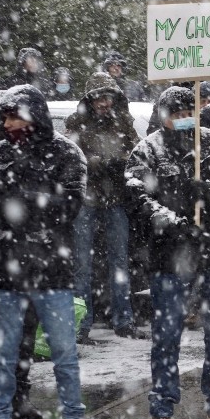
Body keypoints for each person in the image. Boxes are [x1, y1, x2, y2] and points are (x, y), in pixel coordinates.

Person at [125, 87, 210, 419]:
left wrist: (209, 189)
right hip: (169, 258)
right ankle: (161, 410)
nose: (182, 117)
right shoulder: (147, 149)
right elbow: (136, 196)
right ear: (163, 114)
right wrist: (173, 221)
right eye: (175, 111)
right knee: (166, 337)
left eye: (188, 110)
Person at [0, 85, 87, 419]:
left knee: (64, 354)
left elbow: (68, 206)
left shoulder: (66, 152)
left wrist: (19, 201)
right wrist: (26, 203)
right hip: (6, 269)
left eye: (14, 115)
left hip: (52, 270)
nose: (8, 124)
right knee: (3, 355)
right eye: (4, 117)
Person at [66, 73, 144, 343]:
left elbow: (136, 152)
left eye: (108, 96)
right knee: (82, 265)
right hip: (87, 199)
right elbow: (72, 157)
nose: (103, 101)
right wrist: (97, 162)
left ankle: (124, 321)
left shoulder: (124, 120)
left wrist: (119, 160)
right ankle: (80, 325)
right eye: (99, 96)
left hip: (115, 199)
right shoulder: (76, 122)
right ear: (90, 99)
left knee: (120, 261)